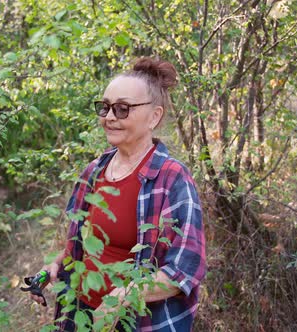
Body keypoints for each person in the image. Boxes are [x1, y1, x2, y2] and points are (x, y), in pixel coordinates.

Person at [30, 57, 206, 331]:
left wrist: (122, 297)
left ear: (154, 116)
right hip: (80, 315)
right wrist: (54, 267)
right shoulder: (94, 171)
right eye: (105, 107)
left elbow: (185, 269)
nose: (110, 117)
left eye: (123, 108)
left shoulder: (173, 179)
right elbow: (78, 246)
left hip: (140, 322)